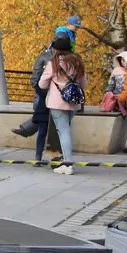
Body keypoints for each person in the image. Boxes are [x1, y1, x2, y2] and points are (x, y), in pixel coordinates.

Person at [39, 35, 85, 174]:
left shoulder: (54, 63)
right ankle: (66, 161)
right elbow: (84, 84)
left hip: (57, 102)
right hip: (73, 102)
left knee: (63, 132)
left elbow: (42, 83)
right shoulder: (78, 62)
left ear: (56, 49)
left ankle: (67, 164)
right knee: (65, 131)